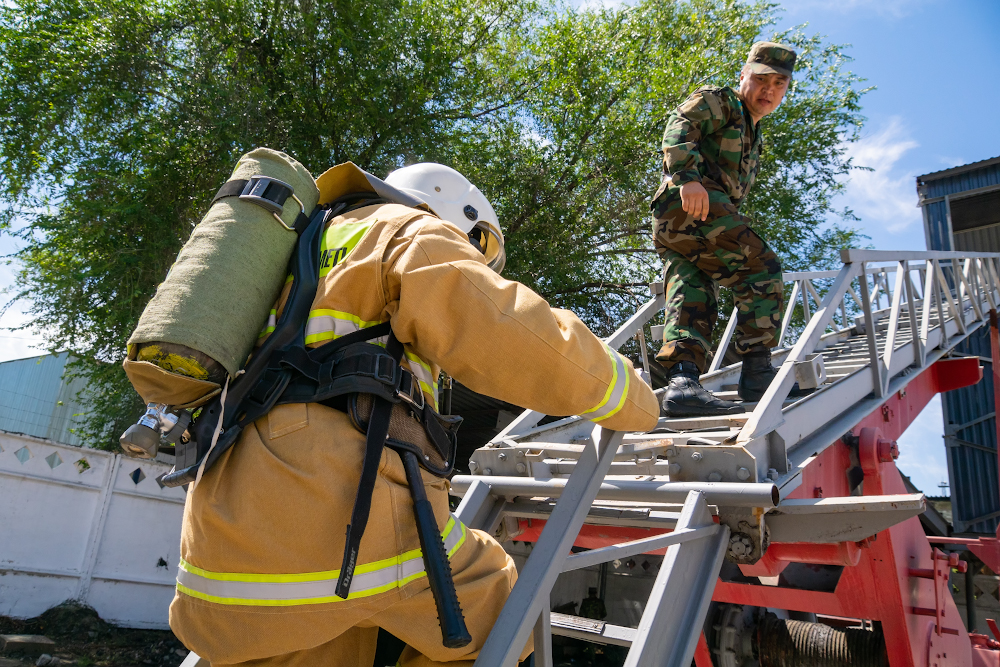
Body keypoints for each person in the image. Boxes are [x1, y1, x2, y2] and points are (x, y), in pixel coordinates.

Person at [166, 161, 659, 666]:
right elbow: (517, 336)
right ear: (454, 214)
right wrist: (634, 399)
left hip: (215, 571)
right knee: (502, 606)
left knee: (323, 636)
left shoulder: (289, 256)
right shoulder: (405, 231)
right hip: (339, 533)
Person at [650, 42, 797, 417]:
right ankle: (758, 371)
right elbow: (681, 124)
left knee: (692, 291)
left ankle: (683, 383)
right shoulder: (723, 102)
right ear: (743, 76)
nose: (769, 90)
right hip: (691, 203)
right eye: (762, 79)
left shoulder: (753, 133)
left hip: (683, 222)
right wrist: (687, 178)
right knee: (761, 269)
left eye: (779, 83)